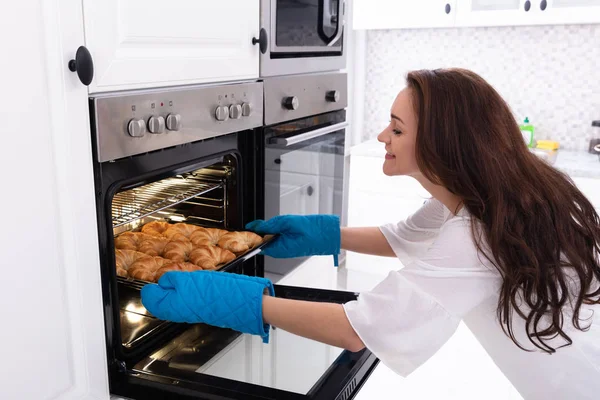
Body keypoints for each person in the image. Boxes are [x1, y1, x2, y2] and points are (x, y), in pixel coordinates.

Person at [141, 68, 600, 399]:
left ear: (442, 145)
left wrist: (233, 300)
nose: (382, 136)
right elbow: (401, 236)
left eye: (397, 129)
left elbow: (355, 330)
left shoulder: (475, 235)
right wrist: (325, 235)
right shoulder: (489, 194)